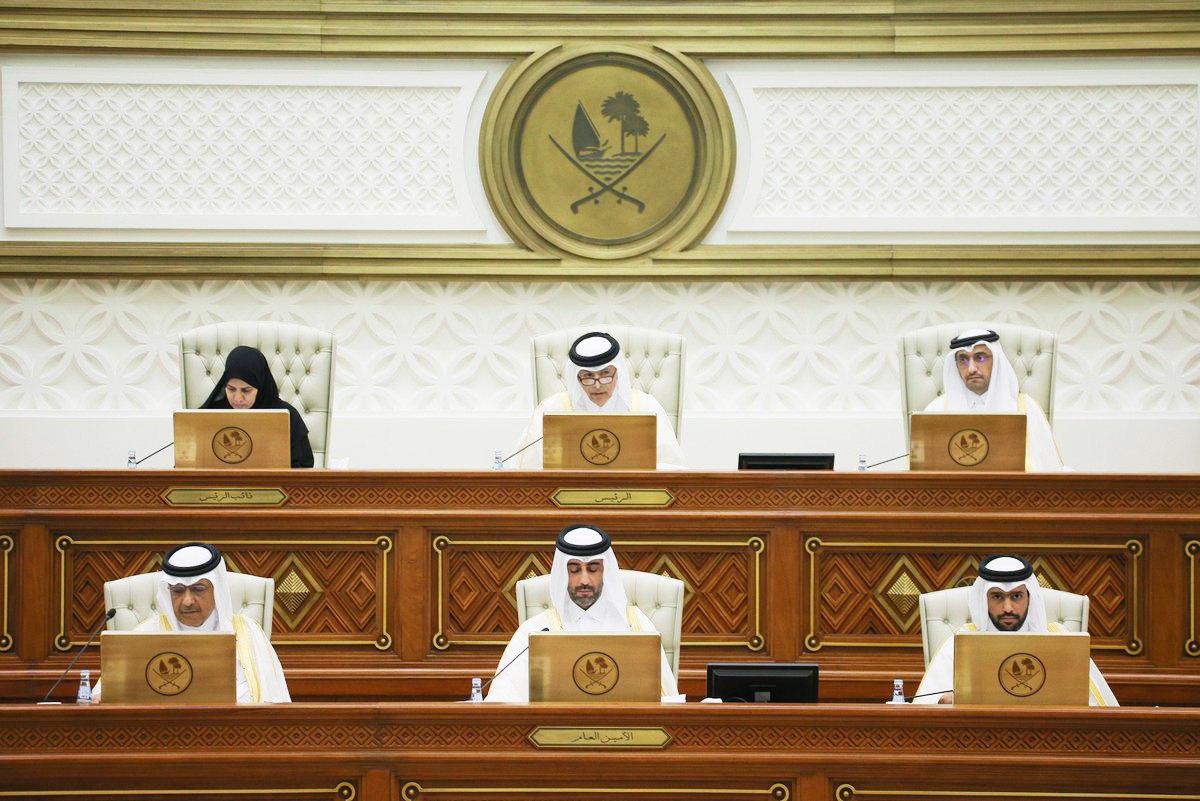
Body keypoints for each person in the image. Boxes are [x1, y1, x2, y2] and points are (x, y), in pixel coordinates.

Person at [484, 524, 679, 702]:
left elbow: (666, 702)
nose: (584, 580)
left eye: (593, 569)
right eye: (574, 570)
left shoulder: (636, 626)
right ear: (562, 574)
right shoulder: (537, 631)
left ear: (605, 572)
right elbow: (502, 702)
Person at [96, 542, 290, 704]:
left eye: (198, 589)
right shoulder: (144, 634)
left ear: (217, 590)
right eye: (178, 591)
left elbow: (274, 703)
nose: (187, 601)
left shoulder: (248, 632)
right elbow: (105, 698)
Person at [914, 554, 1117, 706]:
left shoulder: (1059, 639)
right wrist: (945, 700)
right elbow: (925, 708)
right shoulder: (960, 642)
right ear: (983, 599)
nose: (1008, 608)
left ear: (1030, 598)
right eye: (997, 596)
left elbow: (1096, 708)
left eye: (1017, 596)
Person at [510, 332, 686, 469]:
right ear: (576, 378)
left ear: (618, 374)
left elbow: (671, 469)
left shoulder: (646, 407)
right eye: (587, 376)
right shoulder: (552, 409)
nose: (597, 385)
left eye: (605, 374)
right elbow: (528, 474)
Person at [923, 329, 1064, 471]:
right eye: (963, 360)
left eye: (980, 358)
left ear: (996, 361)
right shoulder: (936, 411)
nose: (971, 368)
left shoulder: (1025, 409)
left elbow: (1052, 473)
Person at [201, 345, 314, 468]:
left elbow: (303, 467)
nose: (238, 398)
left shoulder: (287, 416)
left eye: (246, 390)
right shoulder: (211, 415)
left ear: (259, 388)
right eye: (231, 389)